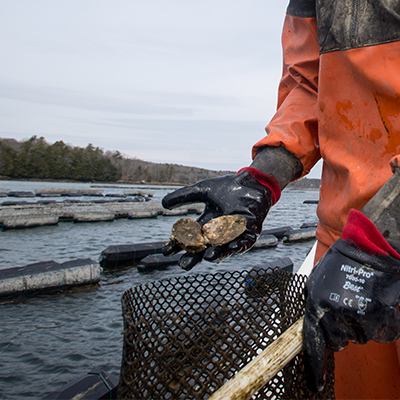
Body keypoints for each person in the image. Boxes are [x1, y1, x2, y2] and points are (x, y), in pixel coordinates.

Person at [162, 0, 400, 398]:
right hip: (344, 254)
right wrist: (263, 175)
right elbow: (310, 85)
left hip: (376, 245)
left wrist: (387, 231)